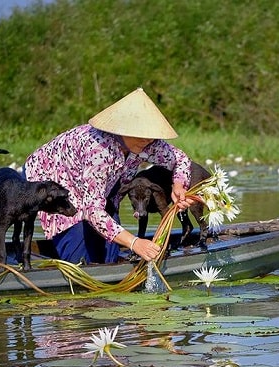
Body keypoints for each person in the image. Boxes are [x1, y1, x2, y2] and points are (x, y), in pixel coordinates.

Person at [24, 88, 194, 264]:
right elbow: (92, 210)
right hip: (54, 178)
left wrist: (178, 185)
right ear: (122, 130)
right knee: (80, 258)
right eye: (141, 135)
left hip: (95, 187)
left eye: (150, 136)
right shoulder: (99, 150)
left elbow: (181, 159)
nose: (147, 141)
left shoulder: (149, 143)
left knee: (109, 254)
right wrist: (134, 242)